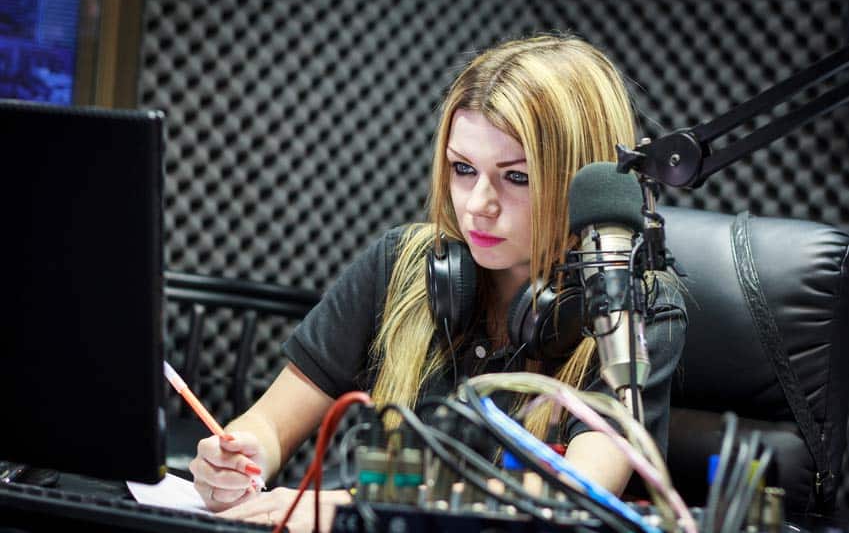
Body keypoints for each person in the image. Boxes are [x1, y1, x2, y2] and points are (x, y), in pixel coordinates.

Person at [189, 33, 686, 529]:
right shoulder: (399, 262)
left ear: (581, 181)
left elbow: (578, 493)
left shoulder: (633, 304)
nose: (476, 205)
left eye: (516, 177)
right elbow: (269, 423)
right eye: (463, 169)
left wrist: (355, 509)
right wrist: (240, 457)